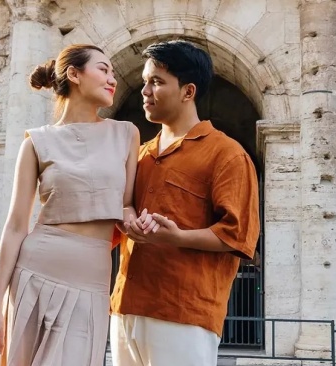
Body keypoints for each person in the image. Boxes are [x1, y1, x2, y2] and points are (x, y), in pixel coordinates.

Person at [0, 44, 141, 366]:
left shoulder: (126, 133)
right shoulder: (35, 142)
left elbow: (125, 205)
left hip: (92, 278)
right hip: (35, 271)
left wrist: (136, 221)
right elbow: (14, 227)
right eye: (103, 69)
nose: (113, 79)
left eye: (112, 72)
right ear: (74, 74)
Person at [110, 40, 261, 366]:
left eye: (157, 82)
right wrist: (128, 216)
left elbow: (238, 234)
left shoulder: (226, 154)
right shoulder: (141, 154)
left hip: (184, 313)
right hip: (125, 307)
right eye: (145, 81)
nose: (145, 90)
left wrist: (177, 236)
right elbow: (121, 209)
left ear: (188, 91)